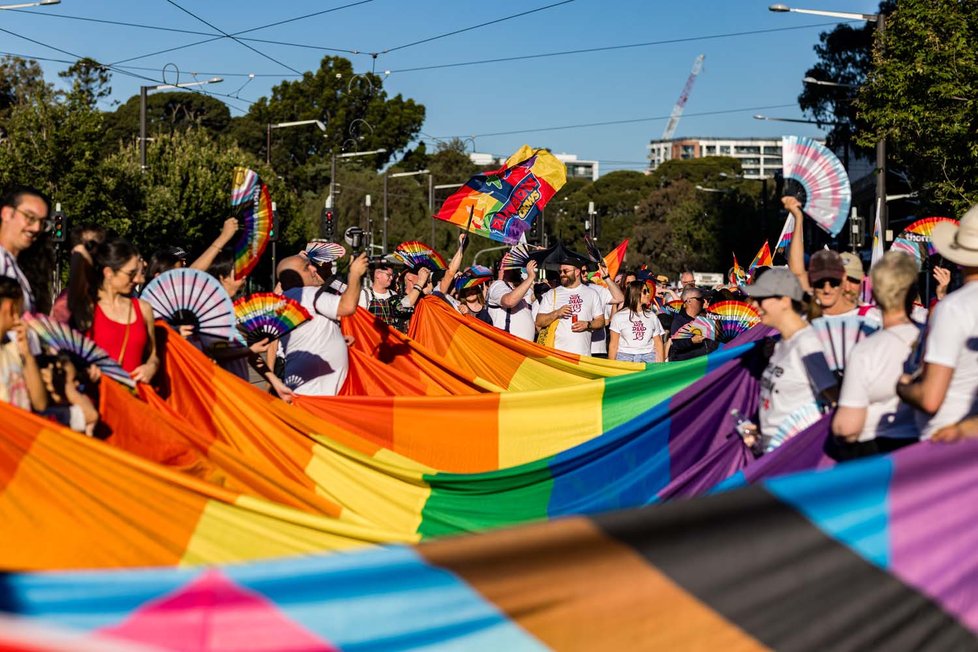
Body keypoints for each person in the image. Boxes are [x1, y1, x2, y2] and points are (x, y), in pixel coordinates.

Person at [830, 252, 922, 458]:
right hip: (924, 454)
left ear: (877, 295)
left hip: (876, 457)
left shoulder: (866, 351)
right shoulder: (932, 339)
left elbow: (847, 428)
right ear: (913, 291)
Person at [898, 204, 978, 439]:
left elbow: (930, 398)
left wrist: (902, 386)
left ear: (959, 258)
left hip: (944, 447)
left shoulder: (953, 308)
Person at [743, 268, 837, 453]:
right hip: (772, 452)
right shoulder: (781, 344)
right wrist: (761, 432)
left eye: (761, 298)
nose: (754, 304)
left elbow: (835, 400)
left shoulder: (808, 343)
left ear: (785, 301)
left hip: (796, 457)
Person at [276, 252, 368, 396]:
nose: (314, 269)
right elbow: (348, 306)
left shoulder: (284, 299)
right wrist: (354, 274)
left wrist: (335, 338)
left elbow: (306, 333)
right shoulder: (307, 293)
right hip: (317, 395)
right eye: (307, 267)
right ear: (294, 276)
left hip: (309, 390)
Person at [69, 238, 159, 383]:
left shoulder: (143, 308)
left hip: (135, 398)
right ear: (109, 273)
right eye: (131, 274)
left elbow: (153, 354)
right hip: (98, 398)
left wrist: (151, 366)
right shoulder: (87, 307)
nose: (138, 280)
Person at [536, 260, 605, 356]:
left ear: (577, 272)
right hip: (557, 354)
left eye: (566, 271)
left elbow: (601, 321)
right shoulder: (552, 293)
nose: (562, 274)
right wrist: (557, 313)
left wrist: (587, 324)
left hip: (583, 354)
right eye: (560, 272)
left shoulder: (592, 293)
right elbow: (539, 321)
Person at [0, 185, 50, 313]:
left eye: (42, 222)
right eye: (30, 218)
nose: (36, 228)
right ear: (6, 213)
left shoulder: (19, 268)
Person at [0, 277, 46, 412]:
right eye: (20, 310)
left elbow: (40, 403)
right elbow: (40, 404)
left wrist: (27, 354)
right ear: (11, 308)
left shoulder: (15, 348)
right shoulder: (12, 349)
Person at [608, 280, 665, 363]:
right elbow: (613, 345)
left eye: (648, 291)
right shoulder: (618, 317)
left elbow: (658, 343)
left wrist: (661, 365)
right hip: (625, 358)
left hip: (649, 358)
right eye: (645, 292)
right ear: (635, 293)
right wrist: (611, 366)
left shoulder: (652, 316)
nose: (648, 294)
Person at [487, 259, 539, 340]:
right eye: (515, 268)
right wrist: (530, 277)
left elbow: (532, 296)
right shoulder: (497, 285)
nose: (519, 271)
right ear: (504, 270)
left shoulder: (520, 288)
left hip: (525, 347)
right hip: (506, 344)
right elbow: (509, 301)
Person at [583, 261, 624, 358]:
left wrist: (606, 278)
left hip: (597, 348)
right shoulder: (563, 292)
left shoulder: (598, 289)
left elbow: (620, 298)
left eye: (586, 271)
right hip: (576, 348)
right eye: (582, 271)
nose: (585, 274)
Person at [668, 286, 717, 361]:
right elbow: (676, 345)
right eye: (700, 299)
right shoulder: (679, 321)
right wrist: (692, 341)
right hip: (688, 366)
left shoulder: (707, 318)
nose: (704, 301)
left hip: (706, 364)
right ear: (689, 301)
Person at [358, 261, 401, 327]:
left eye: (392, 275)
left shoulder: (393, 294)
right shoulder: (365, 294)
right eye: (388, 275)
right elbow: (360, 321)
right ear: (377, 274)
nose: (391, 278)